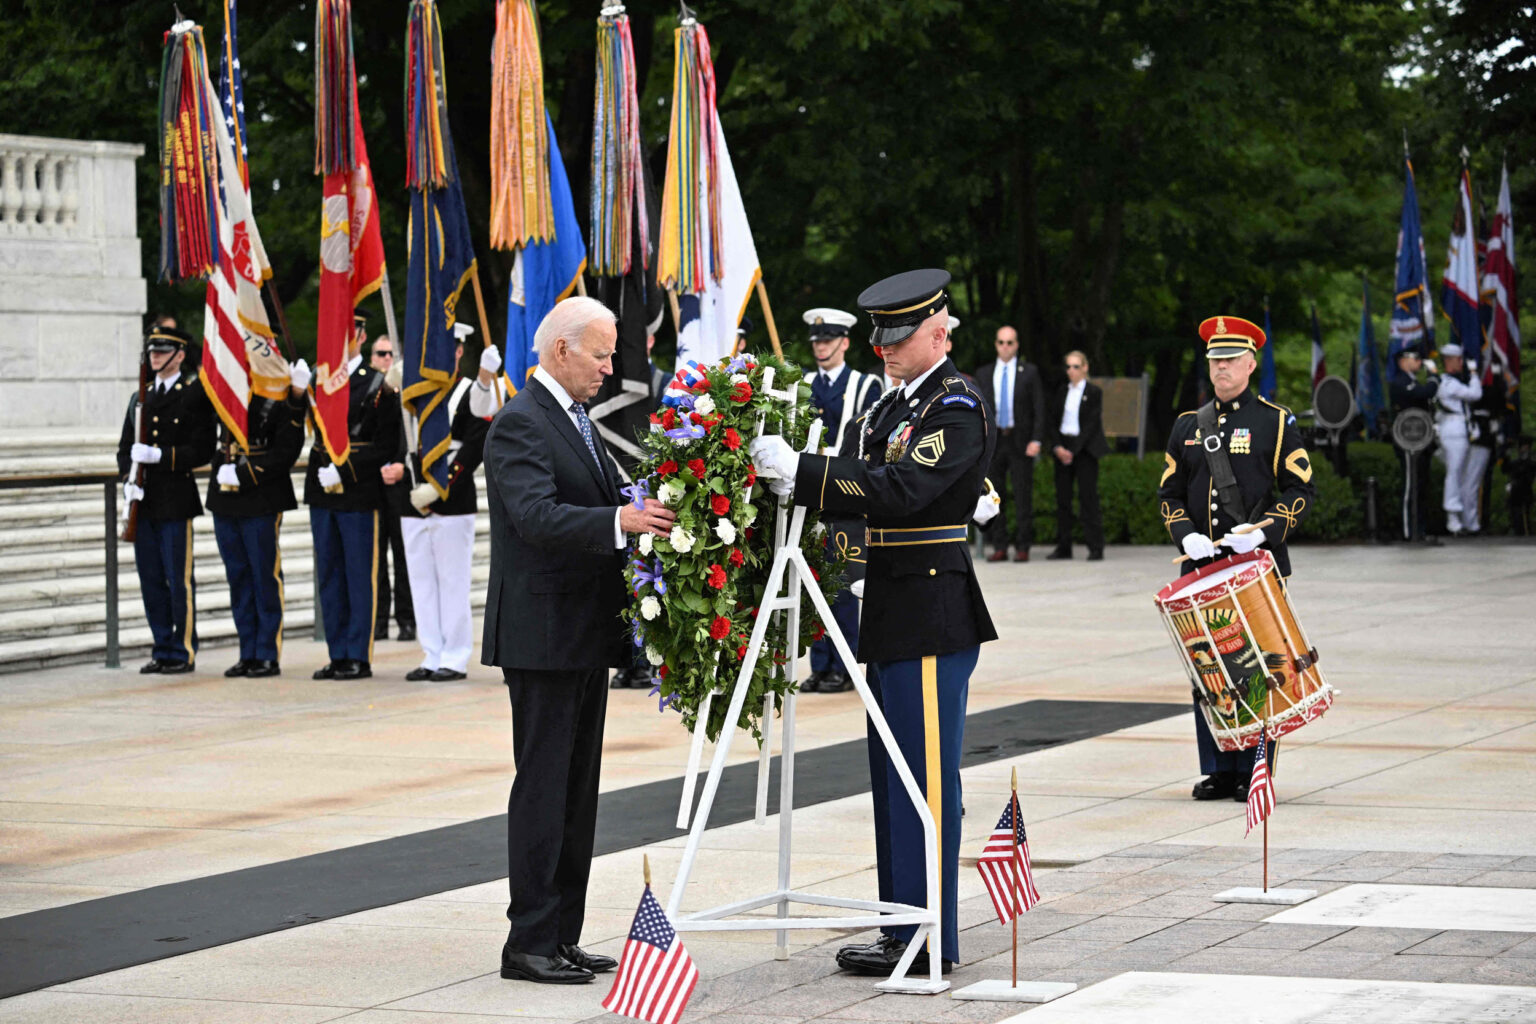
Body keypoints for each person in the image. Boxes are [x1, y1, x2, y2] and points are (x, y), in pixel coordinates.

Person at [750, 268, 996, 977]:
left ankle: (931, 937)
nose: (884, 349)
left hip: (929, 610)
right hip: (887, 606)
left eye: (900, 335)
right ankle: (900, 925)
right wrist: (840, 547)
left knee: (925, 780)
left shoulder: (955, 404)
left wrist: (805, 470)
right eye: (881, 336)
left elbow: (900, 488)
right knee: (892, 777)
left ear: (939, 334)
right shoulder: (887, 409)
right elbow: (855, 490)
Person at [482, 297, 676, 985]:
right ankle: (528, 942)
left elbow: (602, 499)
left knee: (576, 792)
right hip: (542, 635)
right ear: (561, 351)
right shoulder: (520, 423)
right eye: (600, 353)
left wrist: (646, 507)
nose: (609, 366)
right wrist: (620, 520)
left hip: (582, 633)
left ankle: (561, 933)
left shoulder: (572, 420)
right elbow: (535, 516)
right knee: (543, 789)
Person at [1158, 315, 1315, 801]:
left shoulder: (1274, 420)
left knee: (1258, 667)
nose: (1221, 369)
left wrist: (1265, 532)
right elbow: (1169, 494)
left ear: (1251, 363)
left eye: (1230, 360)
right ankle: (1220, 766)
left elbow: (1300, 489)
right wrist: (1184, 536)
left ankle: (1256, 769)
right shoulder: (1188, 425)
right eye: (1214, 361)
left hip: (1254, 567)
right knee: (1207, 667)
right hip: (1201, 567)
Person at [304, 310, 403, 681]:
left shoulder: (377, 384)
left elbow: (386, 444)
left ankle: (357, 655)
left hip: (358, 490)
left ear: (360, 336)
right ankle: (337, 651)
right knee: (329, 575)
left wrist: (345, 468)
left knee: (359, 574)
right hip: (322, 489)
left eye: (345, 331)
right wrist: (297, 391)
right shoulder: (319, 380)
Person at [117, 322, 216, 674]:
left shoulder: (194, 396)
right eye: (152, 351)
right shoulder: (140, 398)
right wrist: (128, 479)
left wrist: (161, 456)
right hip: (144, 502)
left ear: (179, 356)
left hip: (175, 500)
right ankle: (162, 646)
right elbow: (124, 449)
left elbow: (203, 449)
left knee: (178, 578)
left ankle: (183, 649)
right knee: (151, 578)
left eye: (162, 351)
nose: (155, 356)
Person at [208, 359, 311, 677]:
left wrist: (296, 394)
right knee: (238, 577)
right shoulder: (228, 384)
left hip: (261, 494)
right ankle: (247, 650)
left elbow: (288, 449)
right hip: (226, 494)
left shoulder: (279, 393)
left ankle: (266, 652)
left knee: (263, 575)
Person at [395, 323, 485, 683]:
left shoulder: (468, 393)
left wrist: (442, 485)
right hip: (413, 498)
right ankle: (431, 652)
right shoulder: (418, 392)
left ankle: (456, 656)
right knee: (421, 582)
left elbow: (475, 445)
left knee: (452, 582)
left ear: (459, 351)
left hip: (452, 498)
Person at [802, 306, 884, 693]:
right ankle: (821, 664)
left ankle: (847, 663)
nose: (821, 346)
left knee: (843, 580)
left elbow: (868, 442)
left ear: (845, 342)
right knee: (814, 580)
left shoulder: (865, 386)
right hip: (809, 492)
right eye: (817, 340)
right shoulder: (802, 384)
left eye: (829, 340)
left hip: (845, 491)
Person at [974, 325, 1046, 562]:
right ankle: (1000, 546)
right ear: (996, 345)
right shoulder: (984, 373)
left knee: (1023, 495)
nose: (1005, 347)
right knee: (994, 494)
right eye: (1001, 342)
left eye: (1010, 342)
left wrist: (1036, 439)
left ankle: (1023, 546)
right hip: (994, 442)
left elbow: (1039, 408)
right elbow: (978, 410)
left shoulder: (1030, 372)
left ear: (1017, 345)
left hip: (1020, 441)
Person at [369, 329, 416, 642]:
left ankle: (407, 620)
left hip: (402, 482)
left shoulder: (409, 389)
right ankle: (378, 621)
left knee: (403, 556)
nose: (386, 359)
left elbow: (415, 435)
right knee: (375, 558)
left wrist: (404, 467)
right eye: (381, 354)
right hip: (373, 481)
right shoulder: (367, 390)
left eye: (390, 354)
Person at [1046, 350, 1109, 560]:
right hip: (1063, 446)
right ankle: (1064, 546)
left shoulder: (1093, 392)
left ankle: (1095, 546)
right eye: (1068, 367)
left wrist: (1074, 451)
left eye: (1075, 366)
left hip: (1085, 449)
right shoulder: (1061, 390)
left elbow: (1091, 424)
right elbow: (1052, 420)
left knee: (1088, 498)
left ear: (1085, 368)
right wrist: (1057, 447)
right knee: (1063, 499)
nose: (1071, 371)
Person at [1388, 345, 1438, 543]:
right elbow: (1424, 393)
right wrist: (1434, 375)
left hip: (1420, 441)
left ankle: (1421, 529)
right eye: (1415, 358)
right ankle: (1409, 531)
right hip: (1407, 441)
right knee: (1411, 486)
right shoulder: (1400, 382)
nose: (1419, 362)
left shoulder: (1413, 381)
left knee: (1421, 485)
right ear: (1403, 361)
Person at [1432, 343, 1482, 536]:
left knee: (1460, 475)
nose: (1461, 363)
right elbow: (1476, 394)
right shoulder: (1448, 383)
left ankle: (1460, 519)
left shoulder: (1449, 381)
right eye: (1459, 360)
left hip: (1458, 429)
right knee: (1454, 474)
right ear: (1450, 361)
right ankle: (1453, 520)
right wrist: (1474, 373)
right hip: (1453, 430)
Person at [1463, 367, 1505, 535]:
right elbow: (1498, 402)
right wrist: (1496, 377)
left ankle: (1467, 521)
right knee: (1472, 483)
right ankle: (1471, 523)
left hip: (1471, 435)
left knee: (1468, 482)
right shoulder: (1480, 391)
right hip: (1479, 437)